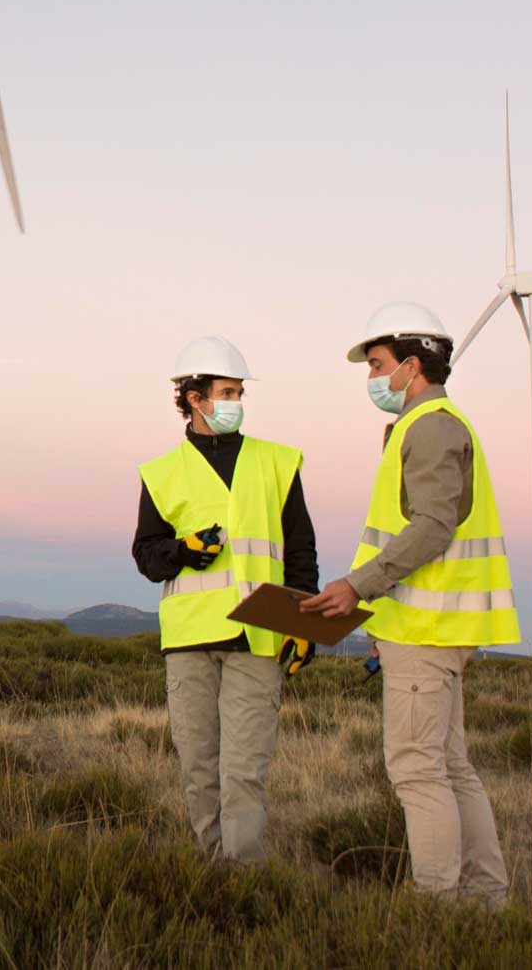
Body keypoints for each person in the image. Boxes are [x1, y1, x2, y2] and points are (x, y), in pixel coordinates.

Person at [301, 302, 519, 907]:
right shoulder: (429, 427)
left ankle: (440, 906)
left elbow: (431, 528)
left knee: (419, 772)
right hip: (427, 629)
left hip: (427, 631)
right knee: (449, 767)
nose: (371, 378)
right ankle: (484, 899)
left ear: (411, 365)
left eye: (376, 364)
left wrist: (357, 586)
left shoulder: (431, 427)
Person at [133, 334, 318, 864]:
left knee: (243, 768)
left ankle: (243, 881)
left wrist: (302, 625)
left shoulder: (278, 463)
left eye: (239, 393)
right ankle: (213, 870)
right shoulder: (161, 473)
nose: (236, 402)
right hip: (190, 639)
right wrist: (182, 551)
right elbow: (147, 556)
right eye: (228, 392)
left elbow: (300, 553)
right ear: (195, 398)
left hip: (257, 637)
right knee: (198, 766)